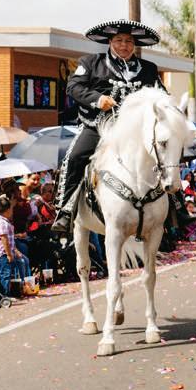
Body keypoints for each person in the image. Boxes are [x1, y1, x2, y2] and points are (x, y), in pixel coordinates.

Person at [52, 20, 165, 235]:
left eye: (129, 41)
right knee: (75, 157)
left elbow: (161, 94)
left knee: (165, 155)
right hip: (98, 126)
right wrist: (98, 99)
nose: (124, 45)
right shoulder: (90, 62)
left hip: (136, 131)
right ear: (110, 42)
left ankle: (178, 208)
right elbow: (73, 87)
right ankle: (65, 210)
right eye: (119, 40)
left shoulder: (148, 69)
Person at [0, 195, 29, 295]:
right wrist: (8, 254)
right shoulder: (2, 223)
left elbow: (10, 240)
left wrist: (14, 251)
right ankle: (4, 295)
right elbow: (4, 239)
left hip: (7, 251)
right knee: (5, 273)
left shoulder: (4, 222)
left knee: (16, 265)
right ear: (7, 210)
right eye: (11, 209)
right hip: (2, 253)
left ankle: (19, 287)